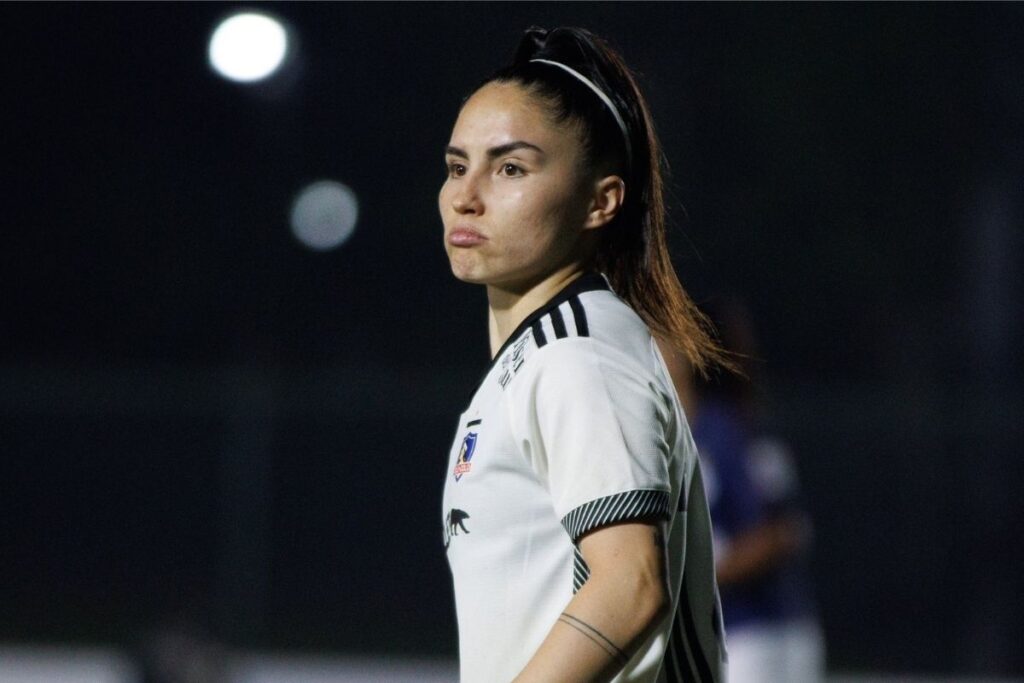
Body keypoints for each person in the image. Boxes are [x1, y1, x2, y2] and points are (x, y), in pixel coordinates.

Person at [438, 26, 732, 682]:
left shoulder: (575, 352)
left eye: (510, 167)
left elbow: (630, 585)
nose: (466, 193)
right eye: (458, 165)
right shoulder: (539, 356)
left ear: (601, 201)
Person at [689, 299, 825, 683]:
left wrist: (698, 576)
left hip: (751, 633)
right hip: (776, 628)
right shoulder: (731, 426)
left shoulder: (723, 432)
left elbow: (781, 533)